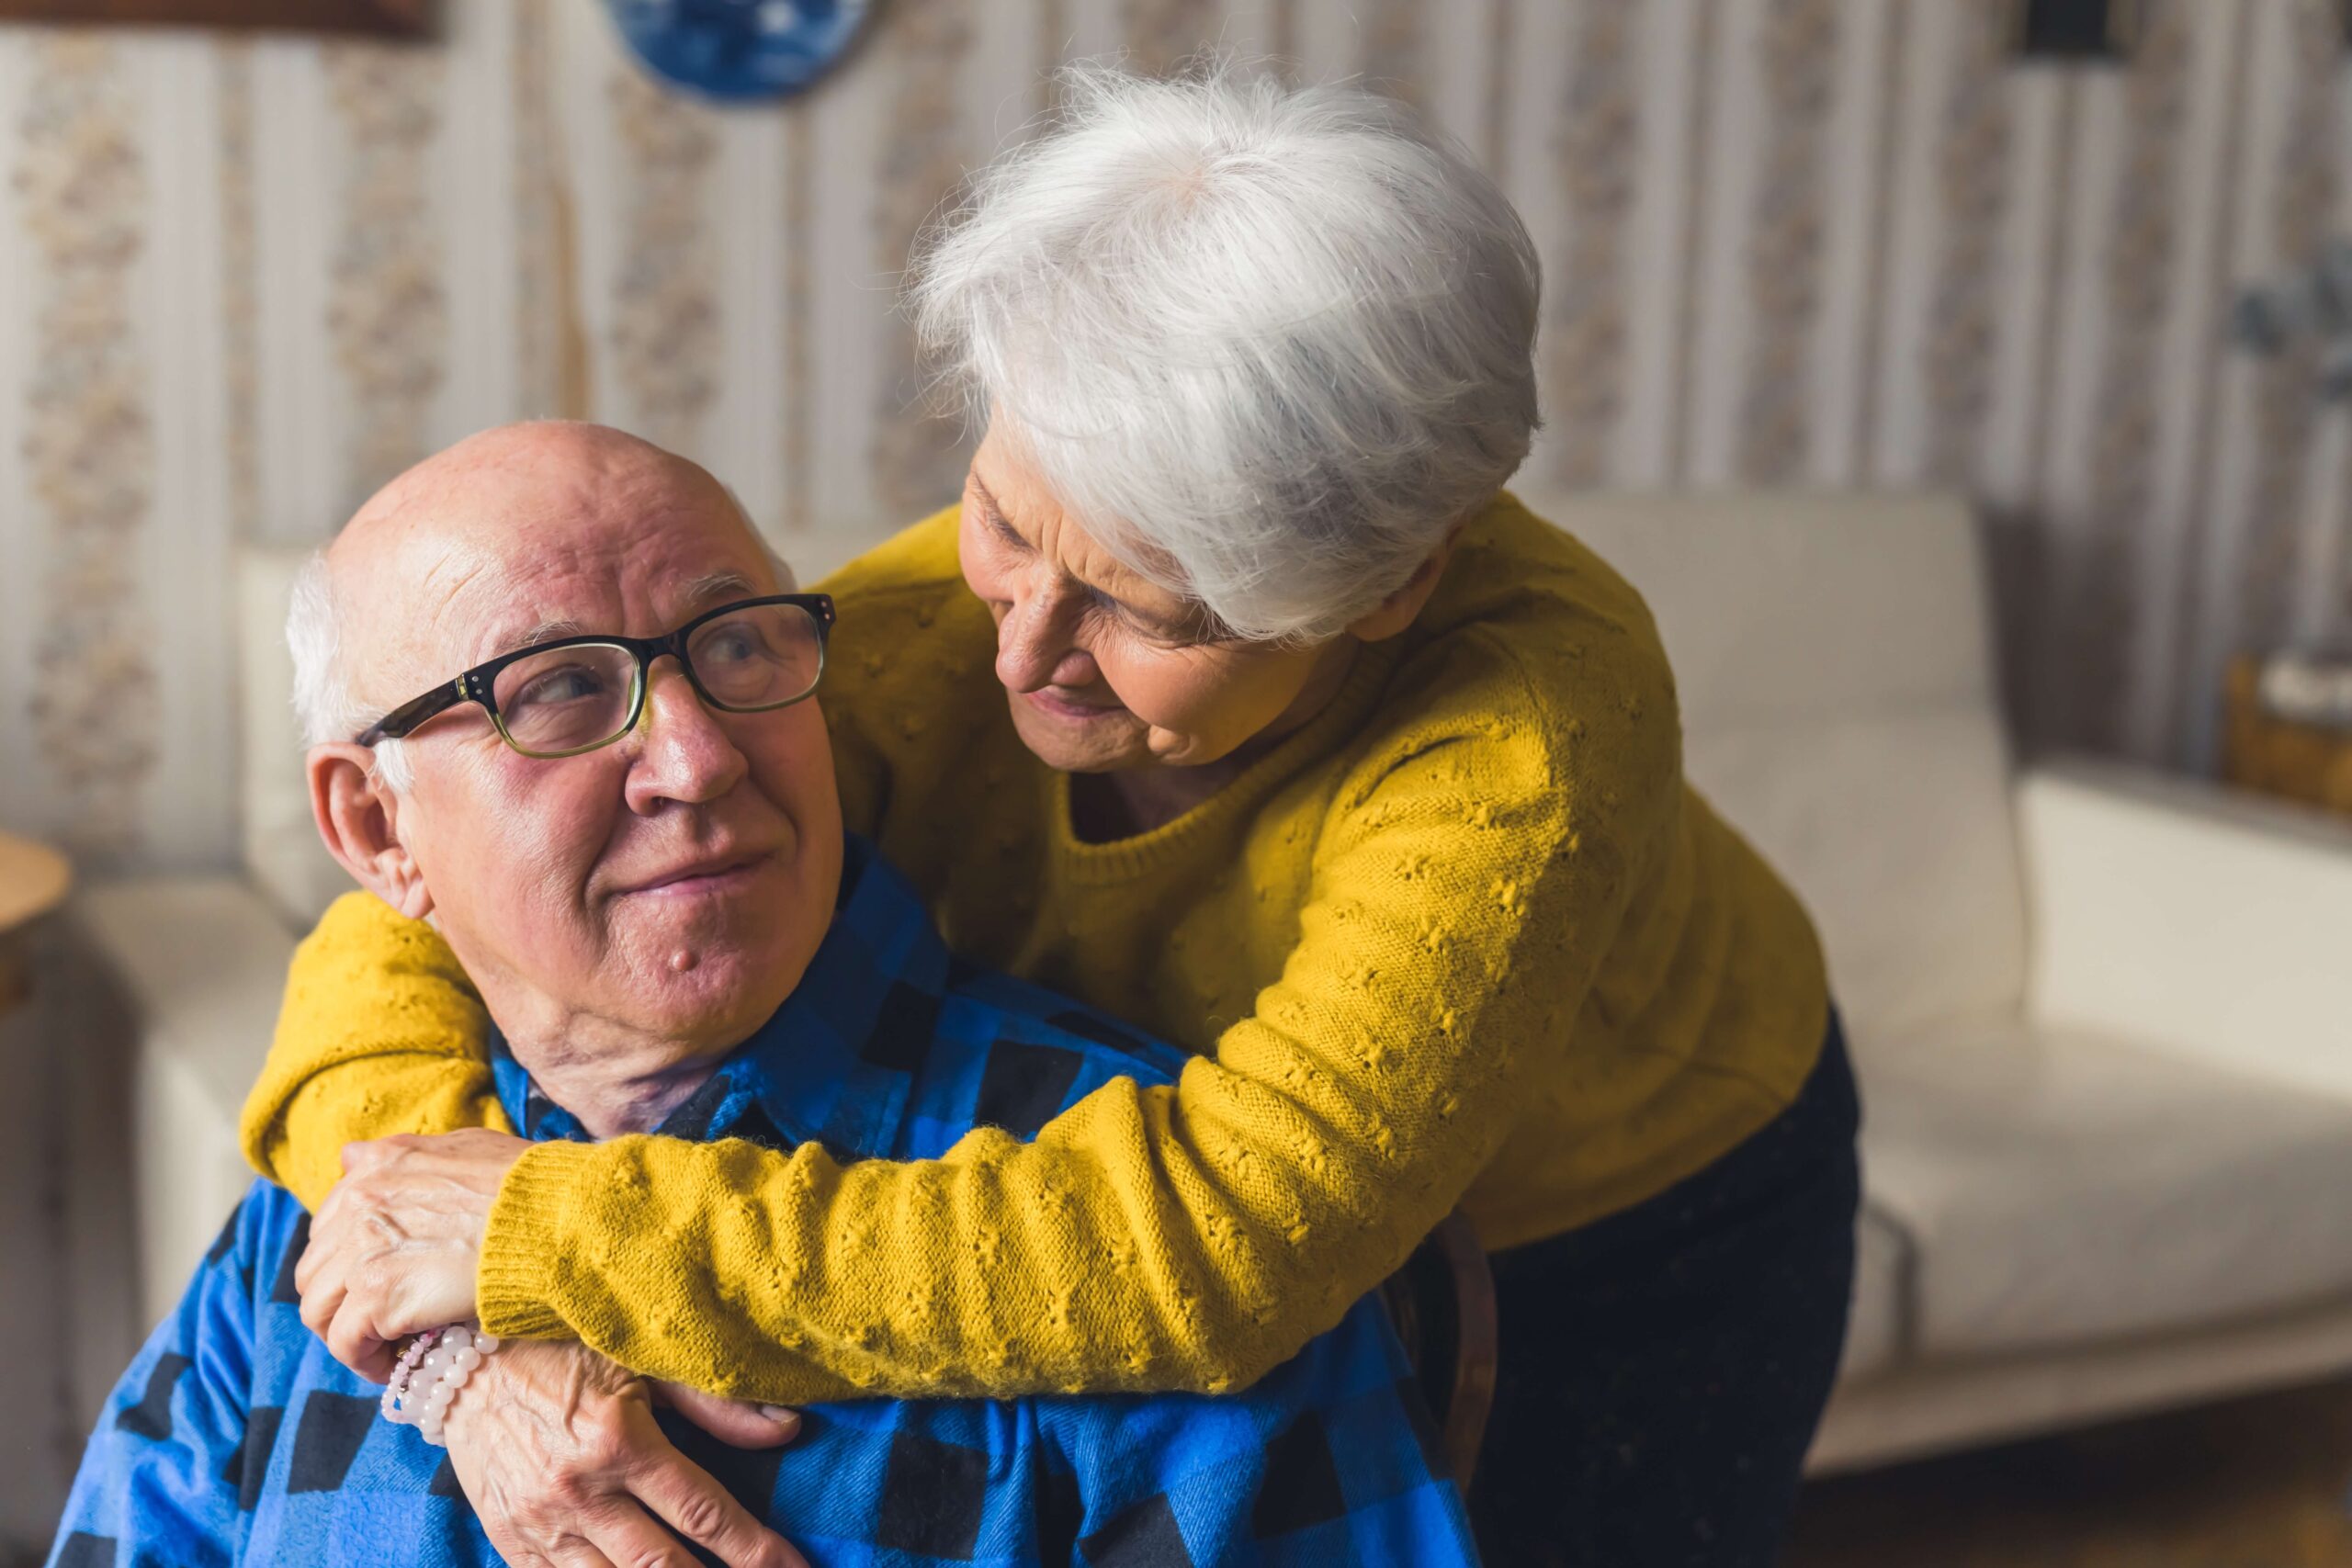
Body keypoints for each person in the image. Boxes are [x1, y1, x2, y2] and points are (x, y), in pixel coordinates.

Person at [247, 63, 1860, 1567]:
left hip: (1641, 1211)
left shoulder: (1532, 714)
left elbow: (1235, 1243)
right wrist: (454, 1323)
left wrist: (552, 1238)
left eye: (1152, 613)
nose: (1017, 647)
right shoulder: (890, 639)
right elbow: (416, 917)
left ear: (1391, 588)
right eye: (1005, 521)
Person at [47, 423, 1477, 1568]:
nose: (698, 758)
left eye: (738, 651)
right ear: (375, 831)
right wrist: (461, 1352)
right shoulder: (330, 1228)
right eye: (552, 692)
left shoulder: (1131, 1234)